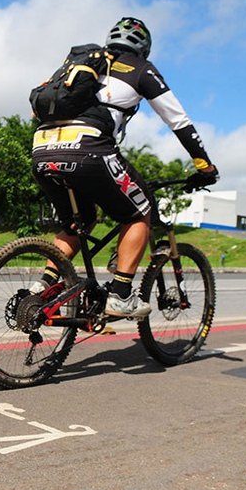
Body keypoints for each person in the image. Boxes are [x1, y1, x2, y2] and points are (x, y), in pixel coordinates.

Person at [30, 16, 219, 318]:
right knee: (139, 211)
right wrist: (204, 165)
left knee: (79, 222)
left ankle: (43, 289)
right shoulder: (140, 68)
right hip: (89, 148)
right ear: (144, 48)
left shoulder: (82, 65)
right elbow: (179, 121)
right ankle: (119, 294)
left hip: (42, 149)